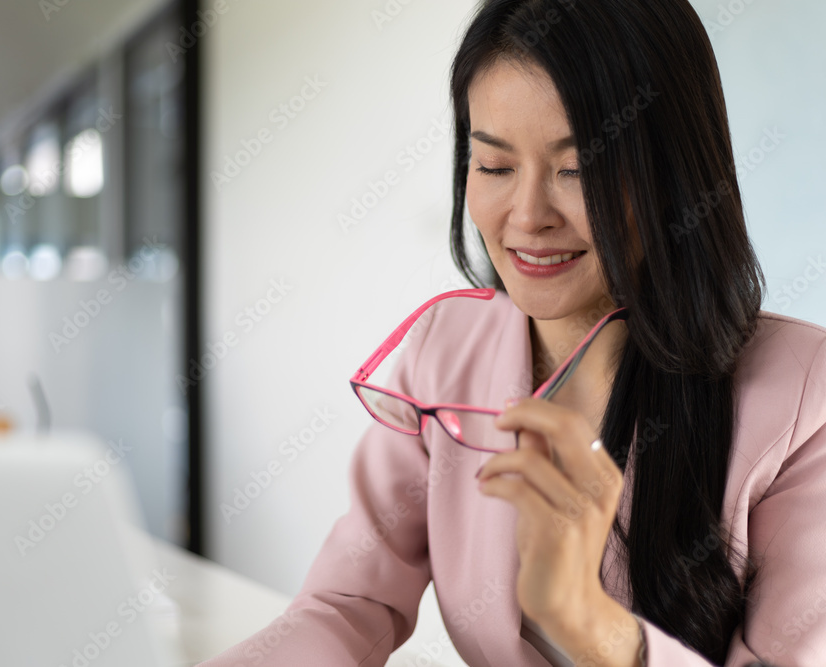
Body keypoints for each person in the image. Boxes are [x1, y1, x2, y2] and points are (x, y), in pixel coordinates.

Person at [199, 1, 826, 665]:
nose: (527, 217)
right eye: (495, 167)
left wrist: (594, 627)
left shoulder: (802, 394)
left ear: (674, 175)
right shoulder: (443, 353)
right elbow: (351, 604)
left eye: (578, 168)